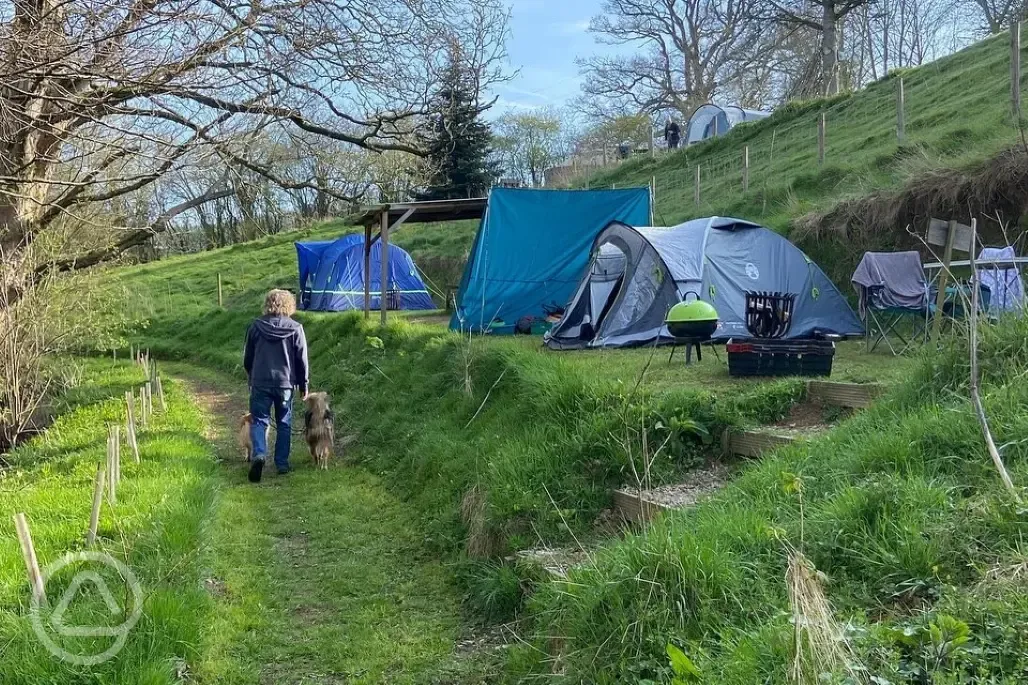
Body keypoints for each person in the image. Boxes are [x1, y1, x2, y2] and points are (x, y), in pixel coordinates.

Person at [243, 289, 309, 482]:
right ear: (289, 305)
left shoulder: (255, 326)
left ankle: (259, 455)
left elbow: (248, 357)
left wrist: (251, 375)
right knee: (284, 422)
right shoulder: (296, 328)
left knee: (259, 420)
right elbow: (302, 360)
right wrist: (304, 384)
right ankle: (282, 463)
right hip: (285, 384)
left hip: (260, 382)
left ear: (267, 304)